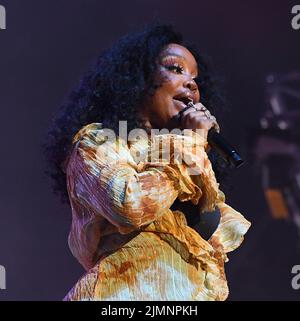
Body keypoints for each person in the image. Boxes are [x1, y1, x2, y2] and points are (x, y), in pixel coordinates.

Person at [43, 24, 251, 301]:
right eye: (176, 69)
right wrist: (189, 142)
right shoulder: (100, 142)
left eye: (195, 78)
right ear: (137, 80)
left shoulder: (189, 161)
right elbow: (129, 206)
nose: (191, 83)